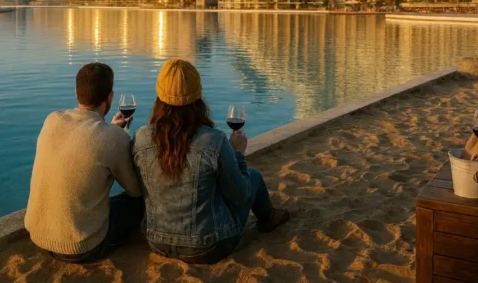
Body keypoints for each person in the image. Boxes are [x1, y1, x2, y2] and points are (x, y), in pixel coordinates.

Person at [133, 59, 289, 264]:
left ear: (159, 97)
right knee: (254, 176)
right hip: (208, 246)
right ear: (198, 97)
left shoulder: (141, 138)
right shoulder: (214, 140)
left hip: (157, 241)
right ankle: (268, 219)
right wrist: (239, 154)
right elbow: (240, 195)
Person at [25, 63, 144, 263]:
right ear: (110, 97)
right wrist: (116, 135)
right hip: (82, 247)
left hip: (38, 236)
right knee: (137, 203)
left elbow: (85, 135)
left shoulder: (52, 119)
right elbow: (135, 190)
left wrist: (109, 129)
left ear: (76, 93)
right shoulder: (112, 138)